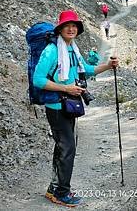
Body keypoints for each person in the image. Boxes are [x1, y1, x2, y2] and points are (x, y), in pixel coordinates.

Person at [33, 10, 119, 207]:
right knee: (68, 148)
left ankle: (54, 188)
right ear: (60, 28)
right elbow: (38, 80)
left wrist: (108, 66)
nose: (71, 29)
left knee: (63, 147)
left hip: (69, 104)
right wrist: (66, 88)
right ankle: (62, 193)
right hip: (56, 106)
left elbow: (86, 70)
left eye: (74, 26)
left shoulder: (72, 49)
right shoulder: (52, 51)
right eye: (67, 25)